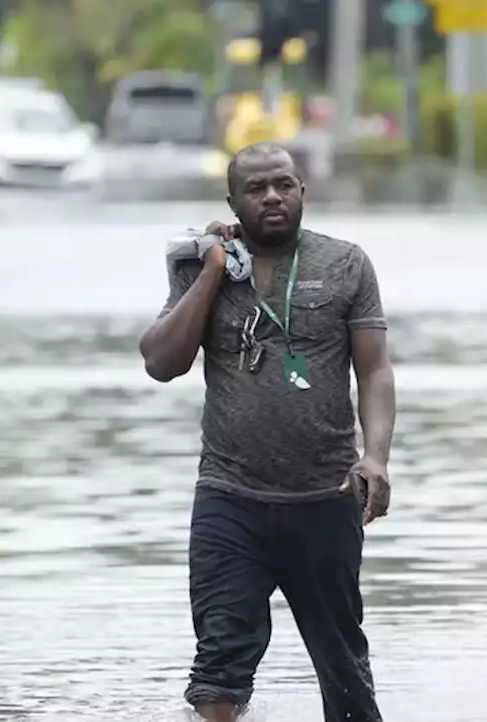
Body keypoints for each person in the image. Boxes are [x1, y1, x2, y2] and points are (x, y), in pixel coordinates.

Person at [138, 143, 396, 722]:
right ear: (233, 202)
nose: (273, 196)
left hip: (326, 499)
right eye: (256, 189)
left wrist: (375, 458)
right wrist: (209, 275)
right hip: (231, 501)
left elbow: (374, 369)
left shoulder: (346, 264)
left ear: (302, 191)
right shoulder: (198, 264)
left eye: (284, 184)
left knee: (345, 675)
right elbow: (160, 362)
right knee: (217, 675)